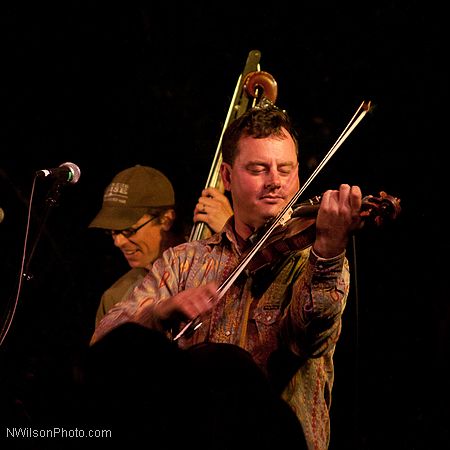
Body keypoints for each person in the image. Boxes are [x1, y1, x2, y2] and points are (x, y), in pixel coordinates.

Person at [91, 105, 363, 450]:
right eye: (258, 169)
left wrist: (329, 249)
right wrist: (159, 312)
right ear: (227, 176)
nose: (275, 182)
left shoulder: (311, 258)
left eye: (286, 169)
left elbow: (312, 336)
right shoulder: (183, 261)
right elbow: (104, 342)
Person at [89, 165, 233, 326]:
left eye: (129, 230)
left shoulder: (215, 259)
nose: (118, 242)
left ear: (166, 219)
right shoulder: (115, 297)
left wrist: (233, 232)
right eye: (113, 232)